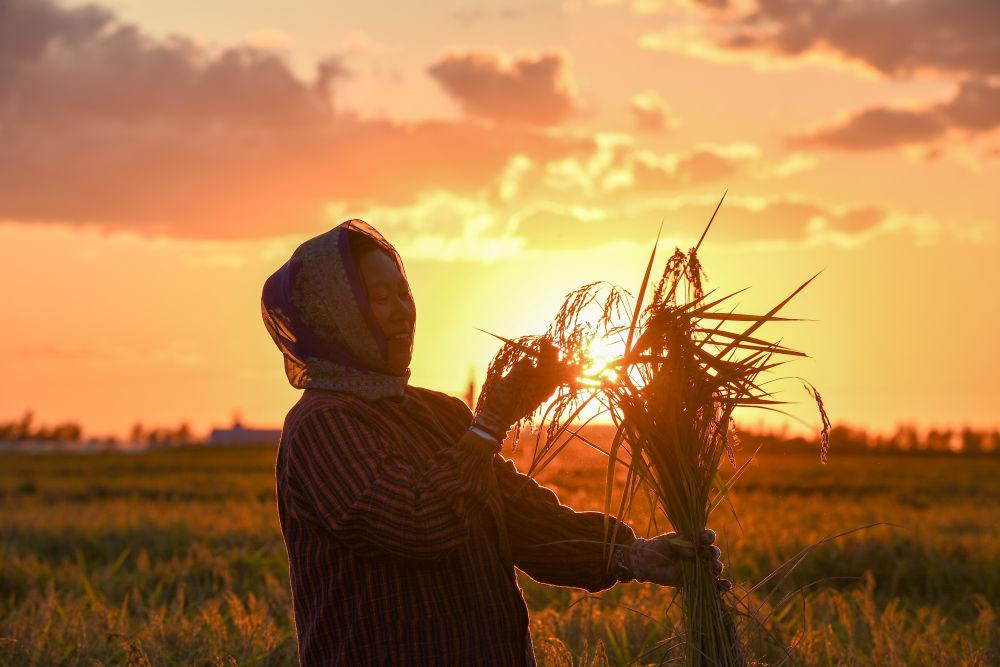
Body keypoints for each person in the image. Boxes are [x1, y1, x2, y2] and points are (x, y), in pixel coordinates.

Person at [261, 220, 725, 666]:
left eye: (403, 292)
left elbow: (524, 521)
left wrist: (634, 555)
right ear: (334, 315)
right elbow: (419, 523)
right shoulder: (321, 426)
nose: (403, 310)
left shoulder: (438, 413)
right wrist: (490, 422)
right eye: (379, 298)